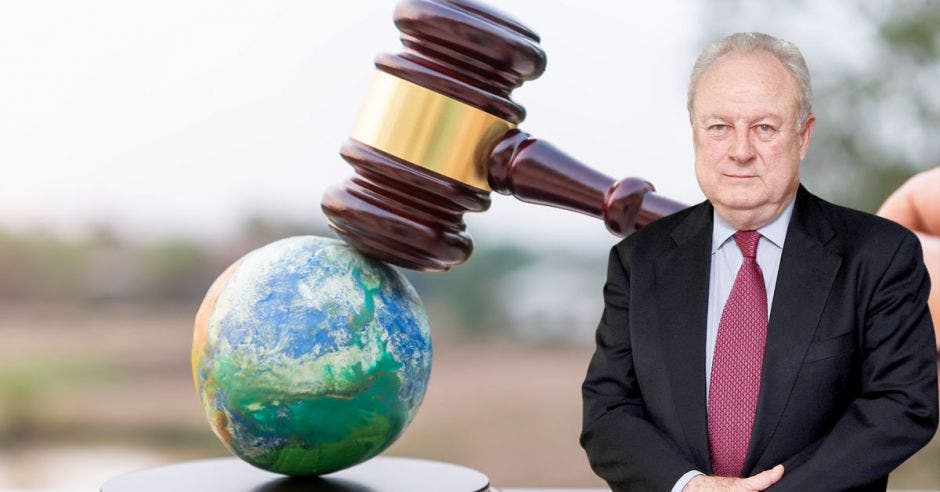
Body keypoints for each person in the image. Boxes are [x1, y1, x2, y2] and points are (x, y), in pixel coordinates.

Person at [580, 32, 938, 492]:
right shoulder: (639, 260)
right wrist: (688, 485)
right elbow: (608, 410)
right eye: (719, 127)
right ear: (695, 133)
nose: (741, 151)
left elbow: (902, 405)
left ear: (803, 135)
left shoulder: (881, 255)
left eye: (764, 128)